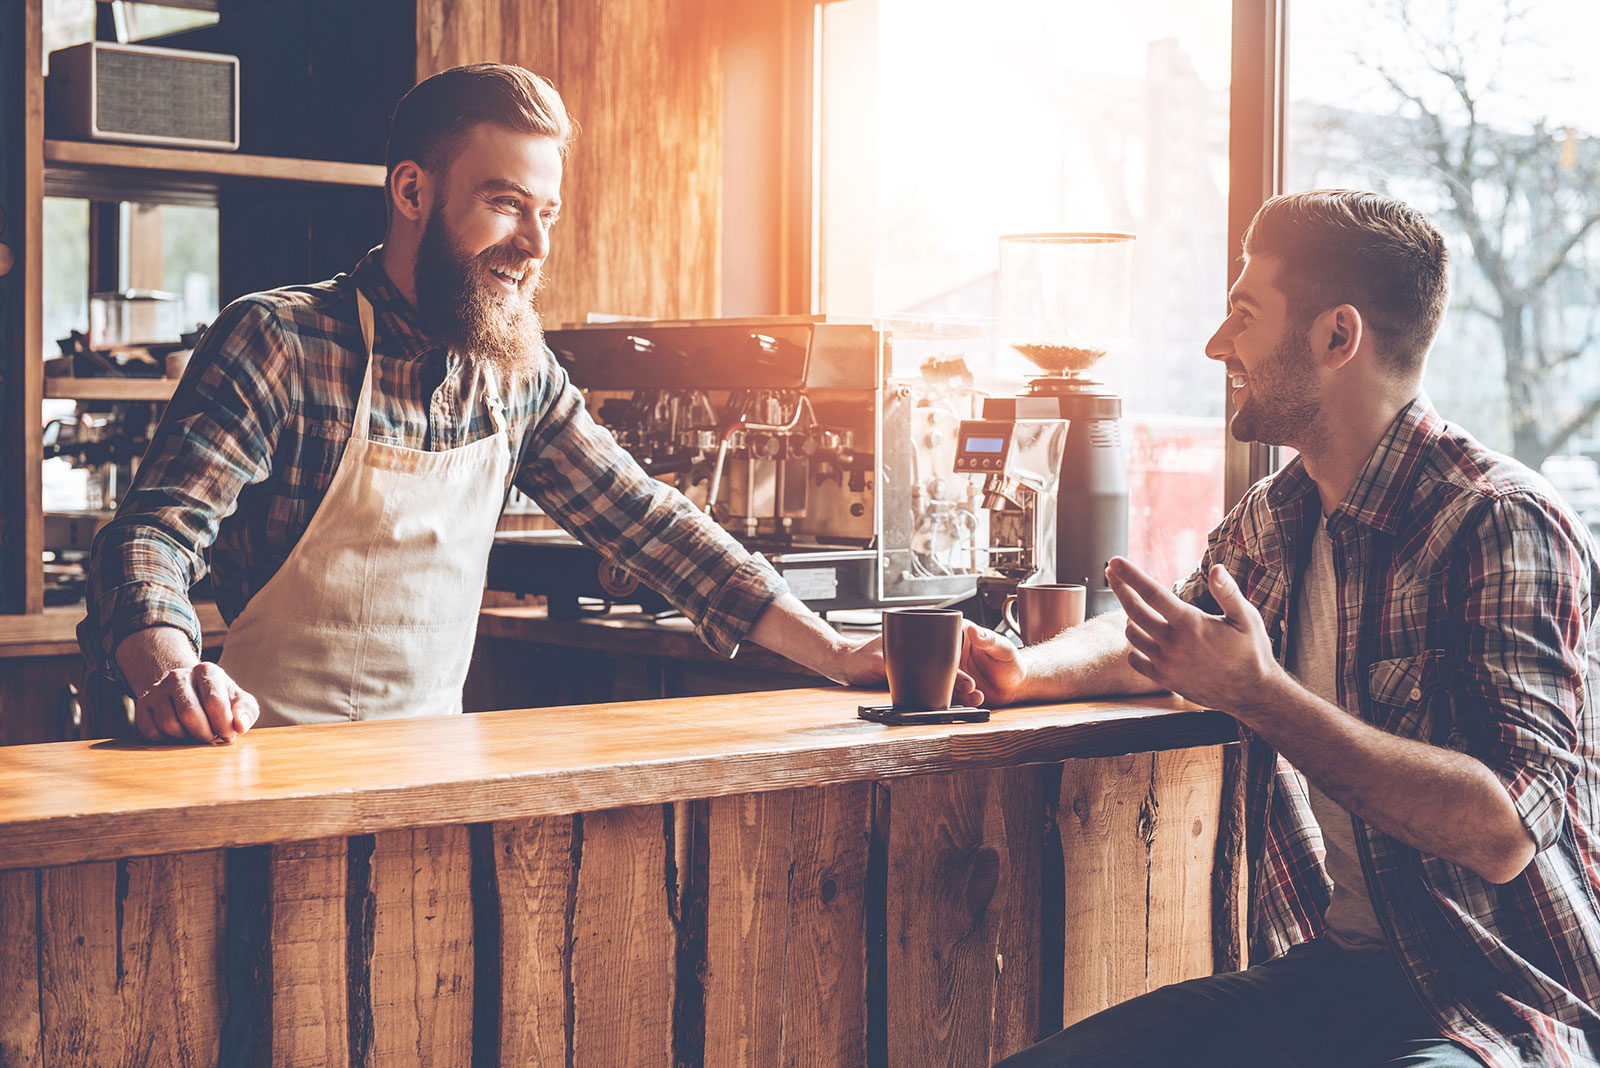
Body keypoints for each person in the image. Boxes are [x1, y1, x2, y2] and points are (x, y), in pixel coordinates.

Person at [962, 192, 1600, 1068]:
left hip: (1505, 1000)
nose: (1217, 345)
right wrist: (1024, 672)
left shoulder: (1499, 519)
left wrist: (1261, 695)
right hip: (1341, 978)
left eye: (1244, 314)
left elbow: (1503, 832)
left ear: (1338, 336)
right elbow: (1175, 632)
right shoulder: (1281, 512)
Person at [81, 63, 883, 743]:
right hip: (267, 766)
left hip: (439, 775)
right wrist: (172, 671)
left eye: (546, 214)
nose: (535, 245)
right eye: (506, 204)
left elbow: (648, 523)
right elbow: (151, 537)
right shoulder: (281, 341)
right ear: (412, 191)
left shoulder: (519, 375)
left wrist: (838, 653)